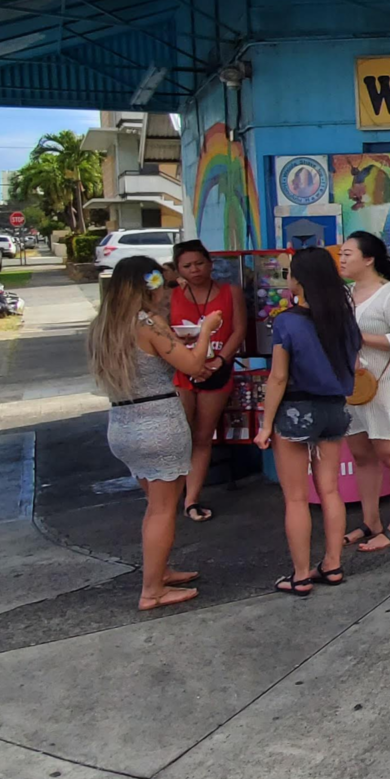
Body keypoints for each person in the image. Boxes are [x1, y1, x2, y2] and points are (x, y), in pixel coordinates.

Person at [87, 256, 220, 611]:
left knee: (155, 507)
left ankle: (159, 572)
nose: (168, 290)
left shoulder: (104, 325)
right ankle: (152, 590)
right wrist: (206, 330)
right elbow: (192, 365)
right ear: (147, 286)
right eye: (162, 284)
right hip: (159, 422)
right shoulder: (148, 322)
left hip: (123, 424)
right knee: (162, 510)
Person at [255, 246, 361, 597]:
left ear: (298, 280)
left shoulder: (286, 321)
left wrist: (266, 425)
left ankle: (300, 574)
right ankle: (332, 564)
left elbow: (278, 378)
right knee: (330, 490)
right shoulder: (345, 319)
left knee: (297, 499)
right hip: (334, 410)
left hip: (296, 411)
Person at [339, 230, 390, 554]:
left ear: (369, 259)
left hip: (385, 385)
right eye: (341, 254)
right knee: (361, 455)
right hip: (352, 386)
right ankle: (370, 520)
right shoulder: (344, 294)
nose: (342, 260)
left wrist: (362, 338)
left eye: (348, 254)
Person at [166, 240, 244, 523]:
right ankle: (169, 495)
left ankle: (191, 499)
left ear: (210, 263)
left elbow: (239, 330)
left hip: (217, 370)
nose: (194, 270)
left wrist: (220, 361)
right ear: (178, 269)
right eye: (187, 266)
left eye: (199, 263)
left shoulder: (229, 291)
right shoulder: (171, 295)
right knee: (180, 434)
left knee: (202, 435)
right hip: (182, 370)